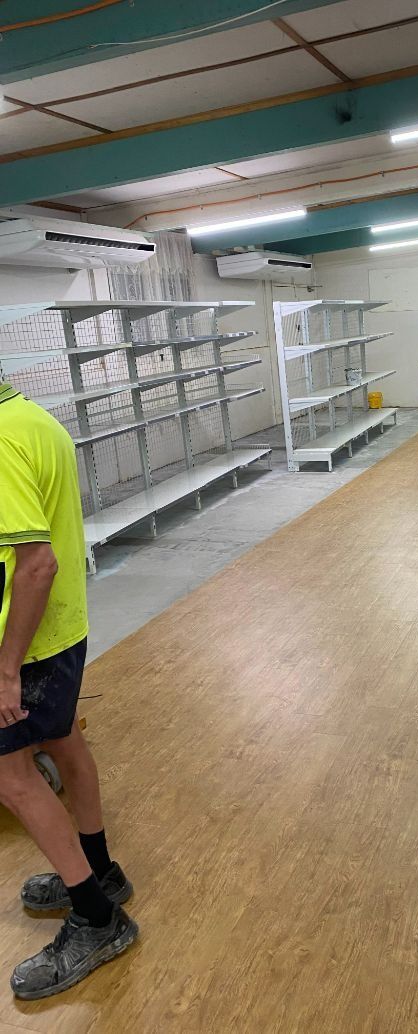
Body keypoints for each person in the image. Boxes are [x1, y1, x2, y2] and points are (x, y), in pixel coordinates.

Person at [0, 380, 137, 1001]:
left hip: (22, 642)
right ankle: (100, 872)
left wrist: (4, 670)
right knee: (64, 741)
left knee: (11, 776)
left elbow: (36, 564)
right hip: (61, 628)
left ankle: (98, 918)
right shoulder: (31, 417)